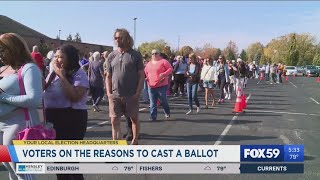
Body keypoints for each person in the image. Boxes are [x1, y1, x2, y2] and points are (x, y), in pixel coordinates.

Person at [0, 33, 43, 180]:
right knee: (10, 170)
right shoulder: (3, 69)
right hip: (2, 126)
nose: (0, 54)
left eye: (2, 49)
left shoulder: (29, 68)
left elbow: (34, 99)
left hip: (18, 128)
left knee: (23, 172)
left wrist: (4, 97)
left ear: (13, 49)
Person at [44, 45, 89, 180]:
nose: (57, 59)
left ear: (70, 58)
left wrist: (61, 76)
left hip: (72, 118)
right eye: (56, 56)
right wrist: (52, 74)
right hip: (53, 118)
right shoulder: (55, 73)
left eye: (61, 57)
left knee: (71, 161)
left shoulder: (79, 73)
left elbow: (75, 96)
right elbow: (42, 89)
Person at [105, 28, 144, 145]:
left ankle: (134, 141)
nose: (117, 40)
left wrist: (137, 93)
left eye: (120, 38)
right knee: (114, 120)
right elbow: (108, 76)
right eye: (115, 38)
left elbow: (141, 76)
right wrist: (108, 93)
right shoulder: (111, 56)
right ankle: (116, 145)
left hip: (131, 95)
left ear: (126, 39)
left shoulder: (135, 55)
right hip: (115, 95)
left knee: (134, 119)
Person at [145, 49, 173, 121]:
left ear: (159, 54)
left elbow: (170, 69)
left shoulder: (164, 61)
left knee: (163, 100)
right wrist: (146, 78)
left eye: (156, 53)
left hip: (161, 84)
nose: (154, 55)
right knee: (152, 102)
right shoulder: (149, 63)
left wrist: (164, 74)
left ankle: (167, 111)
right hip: (151, 85)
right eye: (153, 53)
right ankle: (153, 116)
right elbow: (146, 72)